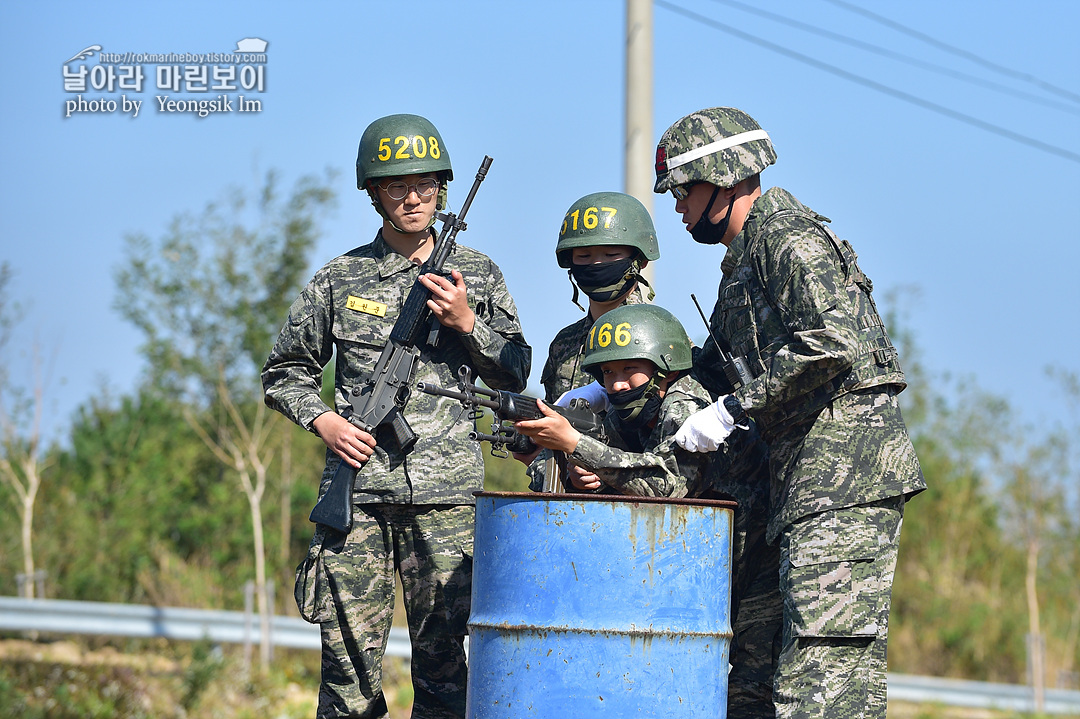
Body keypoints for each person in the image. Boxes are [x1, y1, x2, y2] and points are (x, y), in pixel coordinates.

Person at [654, 106, 925, 718]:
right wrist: (624, 380)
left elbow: (834, 339)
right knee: (813, 668)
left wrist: (732, 409)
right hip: (806, 484)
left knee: (821, 669)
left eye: (684, 192)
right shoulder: (745, 261)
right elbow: (714, 367)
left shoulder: (788, 238)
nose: (678, 209)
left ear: (723, 179)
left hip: (845, 478)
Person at [261, 113, 531, 719]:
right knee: (348, 670)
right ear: (372, 192)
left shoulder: (478, 274)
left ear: (442, 187)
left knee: (447, 670)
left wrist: (466, 323)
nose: (412, 197)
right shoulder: (339, 277)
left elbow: (514, 370)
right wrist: (324, 422)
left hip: (449, 503)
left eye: (426, 184)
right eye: (395, 185)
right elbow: (284, 371)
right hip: (359, 498)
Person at [517, 302, 782, 717]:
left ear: (665, 369)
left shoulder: (683, 401)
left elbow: (665, 484)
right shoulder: (623, 409)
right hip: (692, 579)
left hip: (752, 568)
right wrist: (577, 474)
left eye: (628, 370)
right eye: (607, 373)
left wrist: (577, 445)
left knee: (749, 698)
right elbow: (600, 474)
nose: (617, 384)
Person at [520, 191, 659, 492]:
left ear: (639, 258)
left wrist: (605, 470)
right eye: (584, 256)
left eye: (610, 256)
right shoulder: (564, 344)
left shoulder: (659, 338)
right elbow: (549, 444)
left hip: (640, 507)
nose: (597, 265)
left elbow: (668, 445)